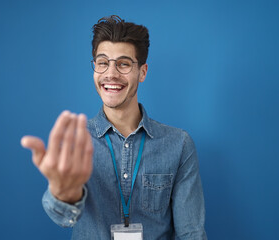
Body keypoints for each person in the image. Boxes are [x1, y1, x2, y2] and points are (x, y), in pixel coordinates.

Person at [21, 15, 207, 239]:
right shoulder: (77, 141)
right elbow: (61, 217)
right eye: (102, 63)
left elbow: (191, 233)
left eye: (123, 64)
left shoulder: (179, 144)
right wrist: (63, 195)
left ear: (143, 72)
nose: (111, 73)